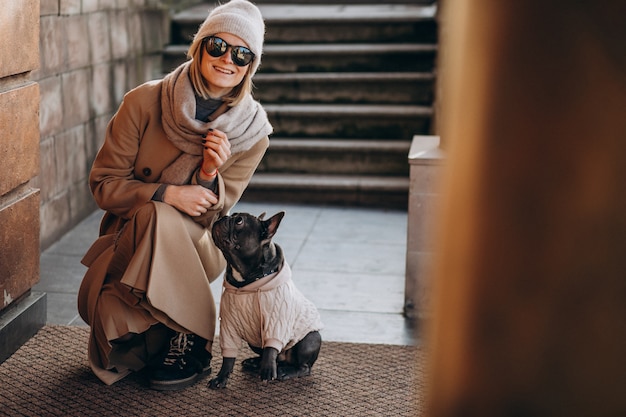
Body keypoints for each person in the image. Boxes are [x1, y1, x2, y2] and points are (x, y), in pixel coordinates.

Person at [77, 0, 272, 391]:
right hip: (130, 240)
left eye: (242, 53)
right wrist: (166, 193)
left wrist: (207, 174)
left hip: (200, 249)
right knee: (153, 215)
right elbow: (104, 185)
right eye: (217, 45)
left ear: (250, 65)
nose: (227, 60)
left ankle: (194, 338)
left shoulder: (252, 133)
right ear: (199, 46)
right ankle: (167, 333)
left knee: (159, 216)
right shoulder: (143, 102)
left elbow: (217, 217)